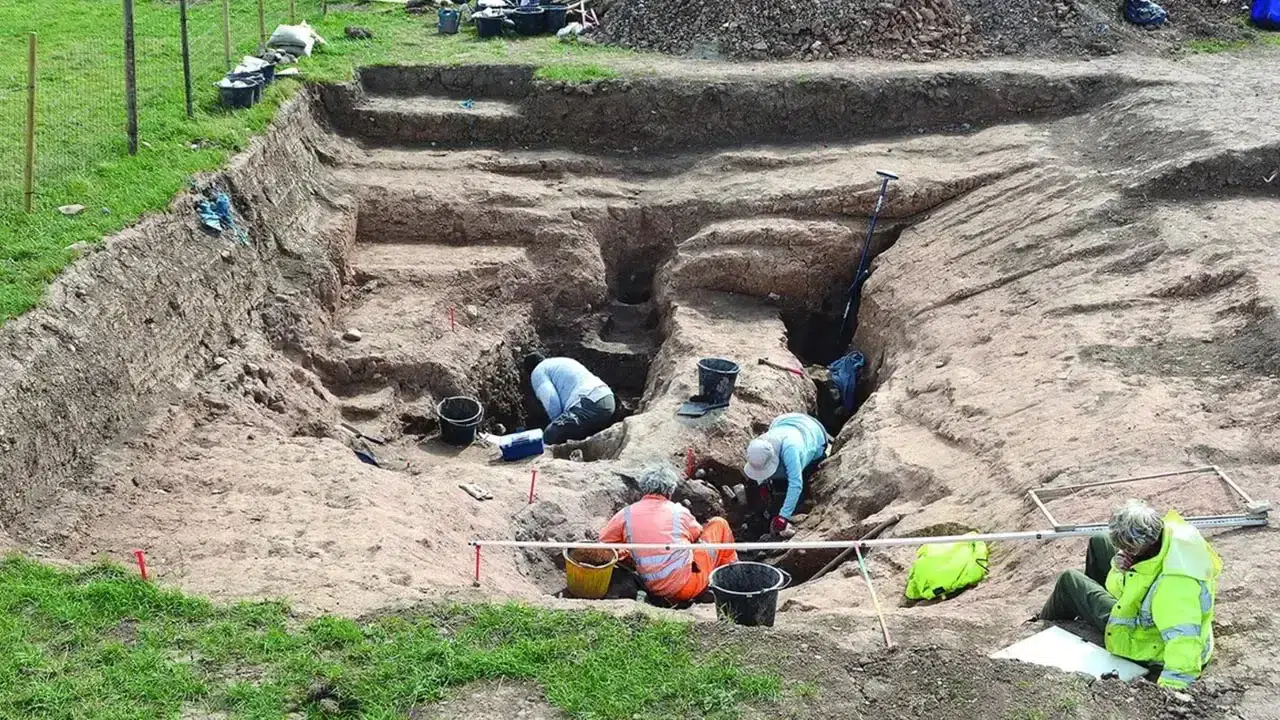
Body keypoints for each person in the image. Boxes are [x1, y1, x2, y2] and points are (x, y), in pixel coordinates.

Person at [1038, 499, 1221, 689]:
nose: (1124, 552)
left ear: (1142, 547)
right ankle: (1085, 616)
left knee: (1070, 581)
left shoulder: (1174, 587)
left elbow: (1183, 641)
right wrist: (1118, 568)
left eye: (1128, 549)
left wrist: (1171, 688)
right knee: (1099, 541)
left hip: (1145, 639)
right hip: (1146, 608)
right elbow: (1127, 587)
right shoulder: (1169, 534)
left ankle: (1042, 626)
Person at [599, 465, 738, 604]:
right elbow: (698, 535)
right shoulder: (679, 512)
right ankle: (732, 576)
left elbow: (604, 543)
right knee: (719, 524)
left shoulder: (626, 514)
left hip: (650, 586)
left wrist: (630, 551)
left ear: (643, 489)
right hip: (685, 587)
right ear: (670, 491)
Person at [742, 413, 830, 537]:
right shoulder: (758, 446)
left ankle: (799, 505)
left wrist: (783, 516)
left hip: (814, 433)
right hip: (784, 422)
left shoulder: (791, 449)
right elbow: (758, 466)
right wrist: (762, 484)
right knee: (779, 484)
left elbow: (796, 483)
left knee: (802, 486)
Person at [525, 353, 616, 445]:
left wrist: (557, 423)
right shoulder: (560, 361)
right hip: (607, 399)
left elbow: (551, 400)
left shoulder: (537, 371)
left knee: (550, 434)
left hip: (589, 404)